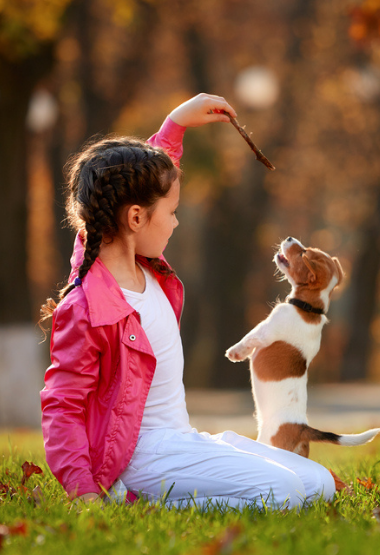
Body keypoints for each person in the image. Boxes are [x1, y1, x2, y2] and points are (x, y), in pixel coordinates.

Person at [40, 93, 336, 509]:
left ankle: (185, 479)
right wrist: (83, 491)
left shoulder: (146, 264)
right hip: (140, 457)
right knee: (285, 494)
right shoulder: (88, 303)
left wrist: (175, 123)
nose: (177, 221)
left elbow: (142, 180)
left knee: (318, 484)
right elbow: (63, 405)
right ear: (137, 219)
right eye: (173, 211)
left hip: (181, 440)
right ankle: (131, 503)